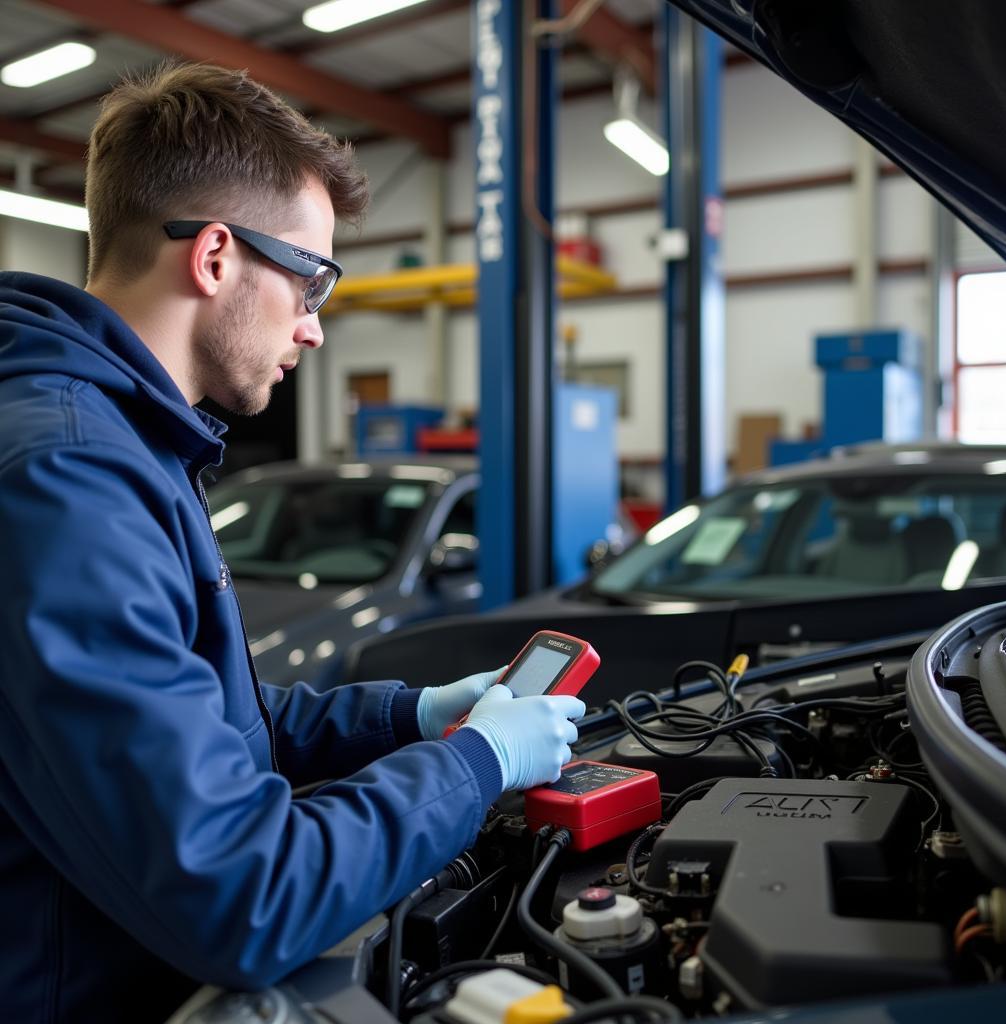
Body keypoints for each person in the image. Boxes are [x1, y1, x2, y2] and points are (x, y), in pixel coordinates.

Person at [0, 62, 585, 1023]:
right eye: (311, 279)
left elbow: (214, 721)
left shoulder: (126, 445)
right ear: (216, 256)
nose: (315, 329)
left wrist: (412, 717)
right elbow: (242, 895)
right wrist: (474, 768)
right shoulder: (69, 479)